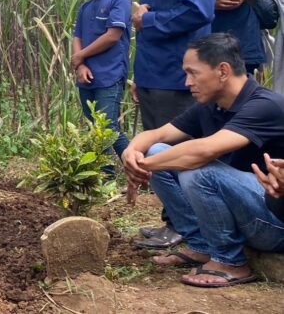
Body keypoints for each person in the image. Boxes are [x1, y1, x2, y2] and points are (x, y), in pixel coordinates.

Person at [122, 33, 284, 287]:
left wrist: (140, 167)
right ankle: (202, 246)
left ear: (222, 71)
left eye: (193, 73)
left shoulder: (265, 105)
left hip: (275, 223)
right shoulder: (213, 105)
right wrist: (131, 153)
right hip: (247, 210)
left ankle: (230, 261)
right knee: (157, 151)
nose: (187, 82)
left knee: (197, 169)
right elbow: (157, 134)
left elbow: (202, 152)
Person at [128, 0, 216, 248]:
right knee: (155, 152)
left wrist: (146, 20)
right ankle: (174, 221)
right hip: (154, 70)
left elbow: (197, 9)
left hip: (177, 73)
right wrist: (138, 74)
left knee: (174, 151)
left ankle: (190, 230)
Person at [70, 0, 131, 175]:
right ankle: (108, 174)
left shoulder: (118, 0)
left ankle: (128, 171)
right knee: (98, 128)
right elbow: (77, 36)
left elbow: (113, 36)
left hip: (110, 75)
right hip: (87, 77)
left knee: (107, 127)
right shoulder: (85, 7)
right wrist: (80, 64)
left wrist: (80, 56)